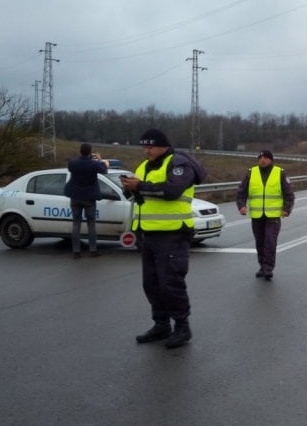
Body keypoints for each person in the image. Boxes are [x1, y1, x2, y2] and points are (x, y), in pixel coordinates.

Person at [120, 128, 206, 349]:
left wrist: (139, 186)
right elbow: (138, 195)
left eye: (150, 146)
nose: (146, 150)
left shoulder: (178, 164)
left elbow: (172, 191)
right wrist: (129, 187)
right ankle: (161, 324)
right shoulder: (143, 166)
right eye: (144, 146)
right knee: (151, 283)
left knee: (171, 283)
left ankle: (182, 327)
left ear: (163, 146)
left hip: (172, 233)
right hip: (148, 233)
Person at [236, 150, 295, 280]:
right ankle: (262, 266)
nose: (263, 160)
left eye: (266, 158)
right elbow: (241, 192)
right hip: (257, 215)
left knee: (270, 241)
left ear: (271, 160)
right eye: (261, 158)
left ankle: (268, 268)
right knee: (260, 242)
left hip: (273, 215)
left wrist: (287, 209)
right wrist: (241, 206)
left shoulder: (279, 173)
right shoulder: (251, 173)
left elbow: (289, 194)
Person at [64, 143, 109, 259]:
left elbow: (71, 166)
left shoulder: (73, 163)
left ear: (80, 151)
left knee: (76, 224)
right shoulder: (93, 164)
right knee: (91, 224)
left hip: (75, 197)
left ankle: (76, 251)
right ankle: (93, 250)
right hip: (89, 198)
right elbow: (104, 170)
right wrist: (100, 159)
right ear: (90, 152)